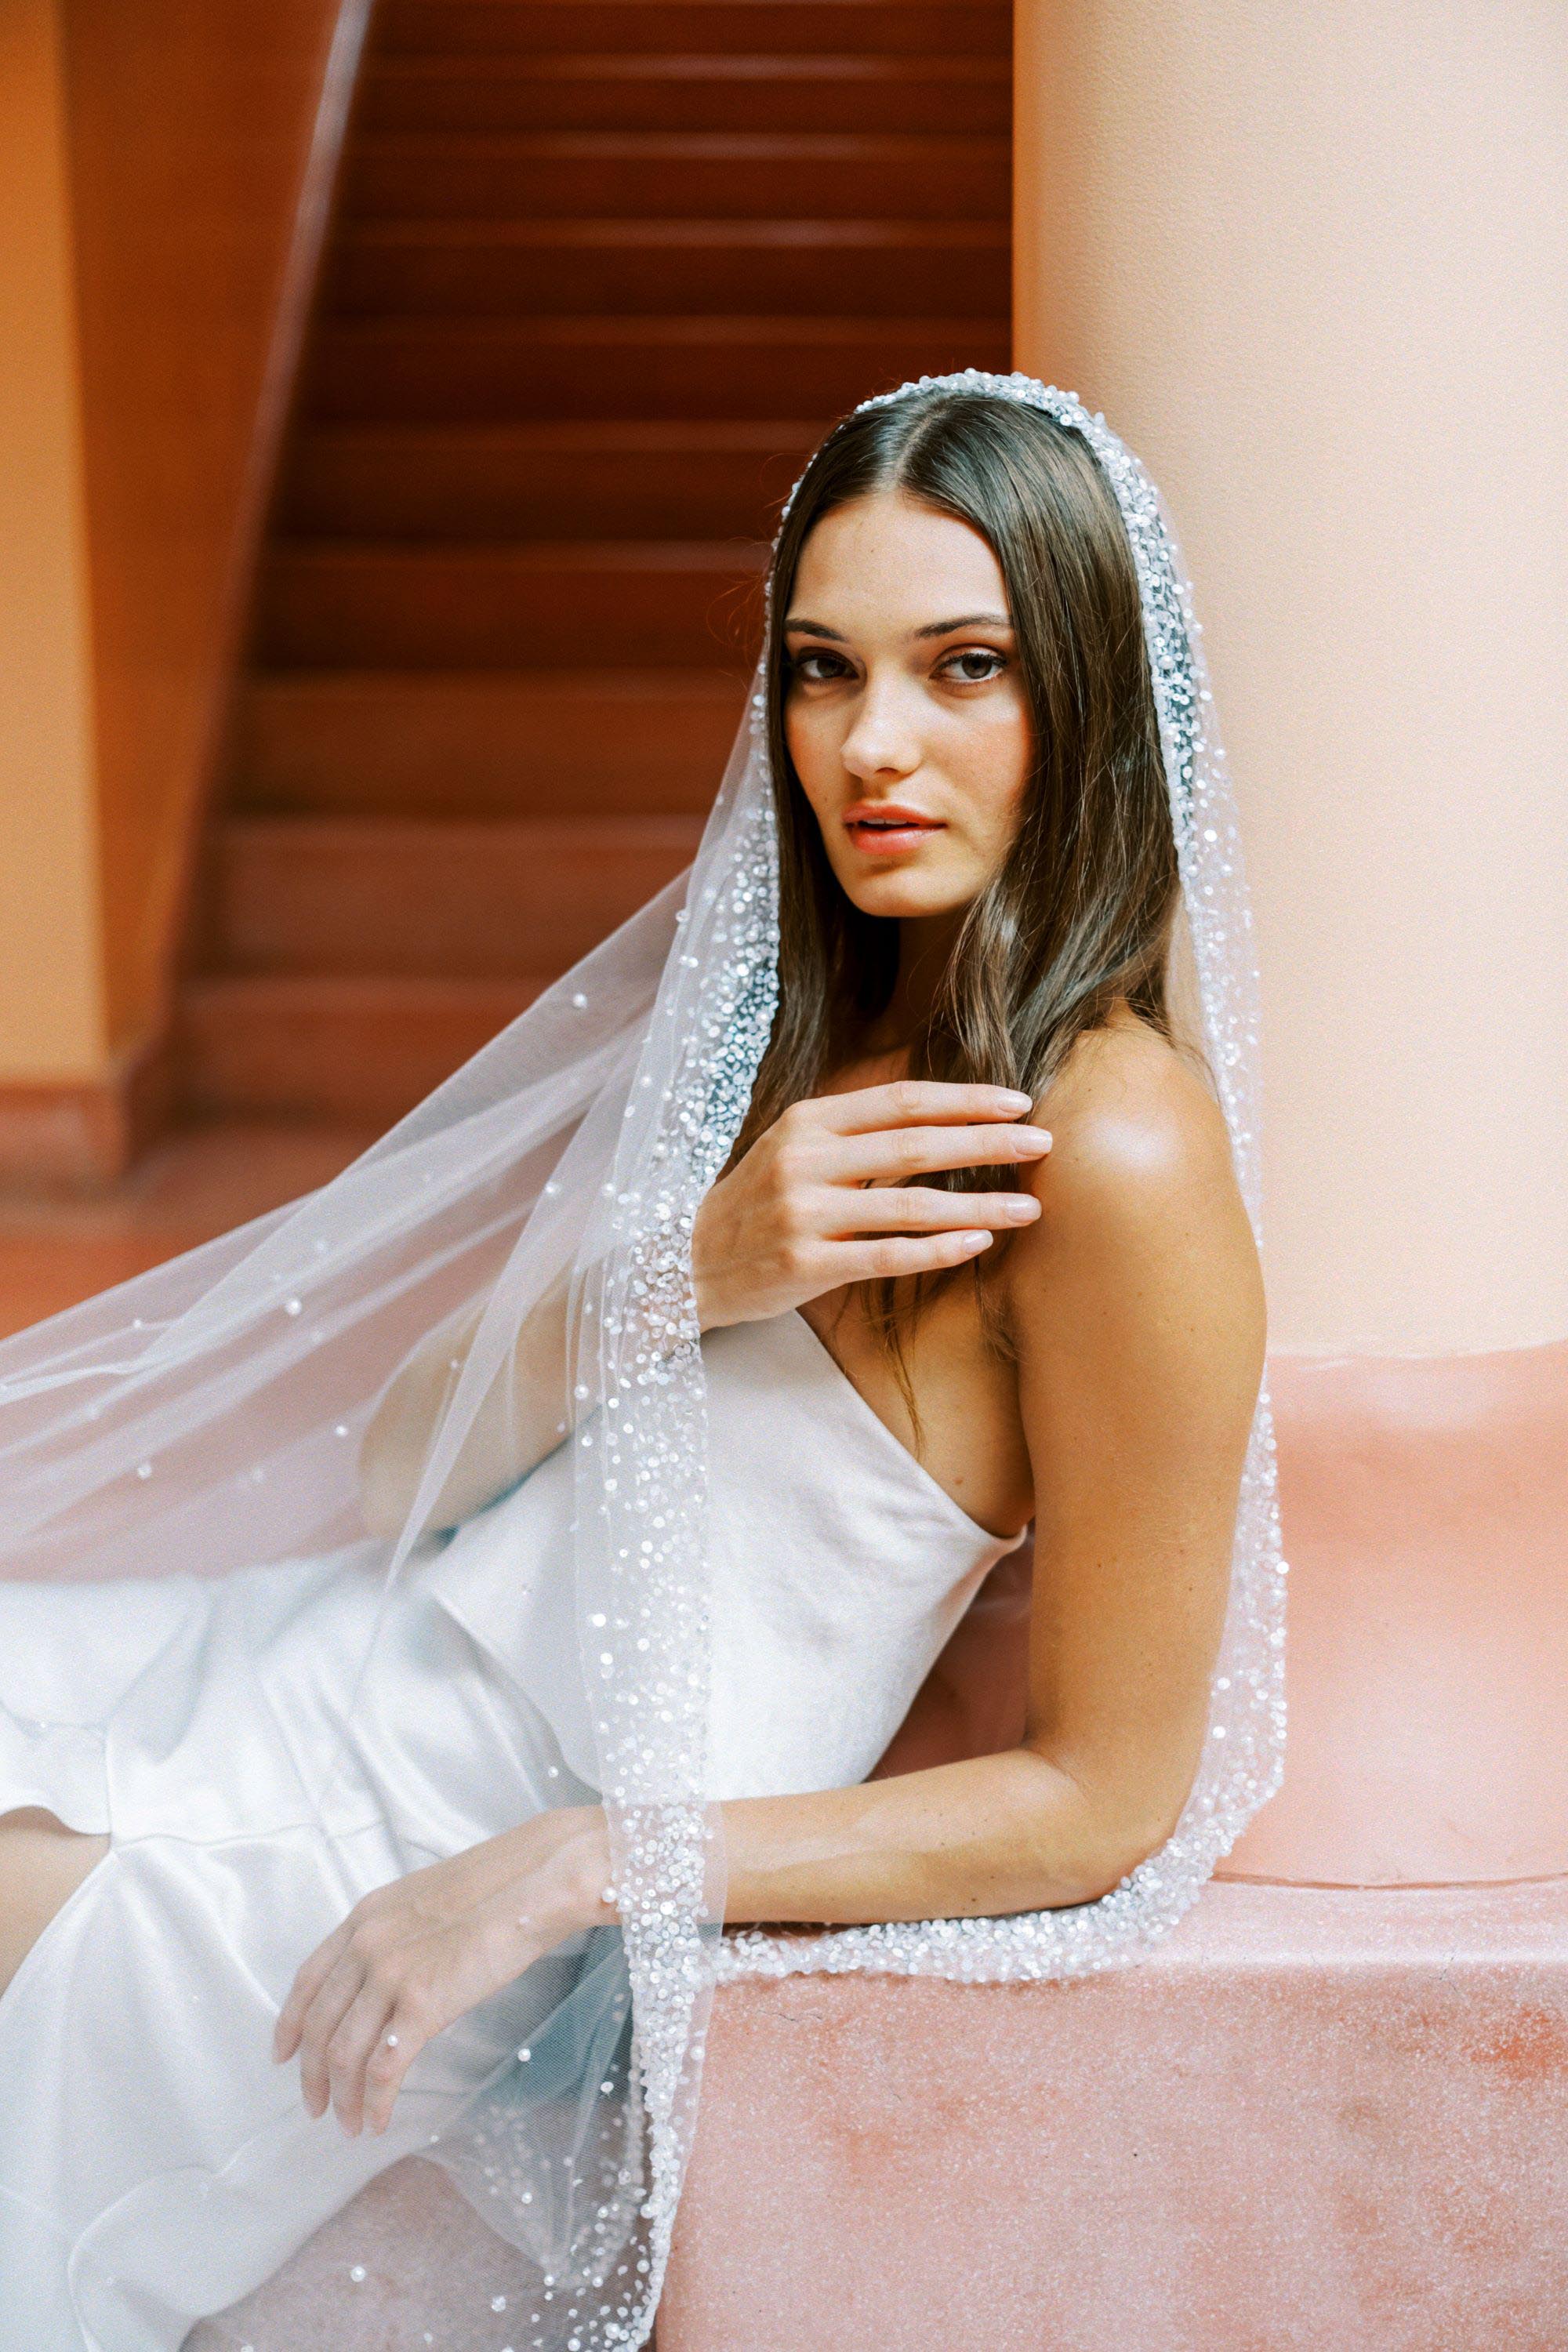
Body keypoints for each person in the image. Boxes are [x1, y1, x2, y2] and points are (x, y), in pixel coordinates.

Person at [0, 374, 1284, 2351]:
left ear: (1091, 700)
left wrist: (580, 1867)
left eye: (965, 670)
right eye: (822, 670)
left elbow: (1106, 1792)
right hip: (311, 1656)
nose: (872, 746)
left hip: (409, 1841)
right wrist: (694, 1263)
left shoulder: (1110, 1145)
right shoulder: (802, 1035)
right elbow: (398, 1461)